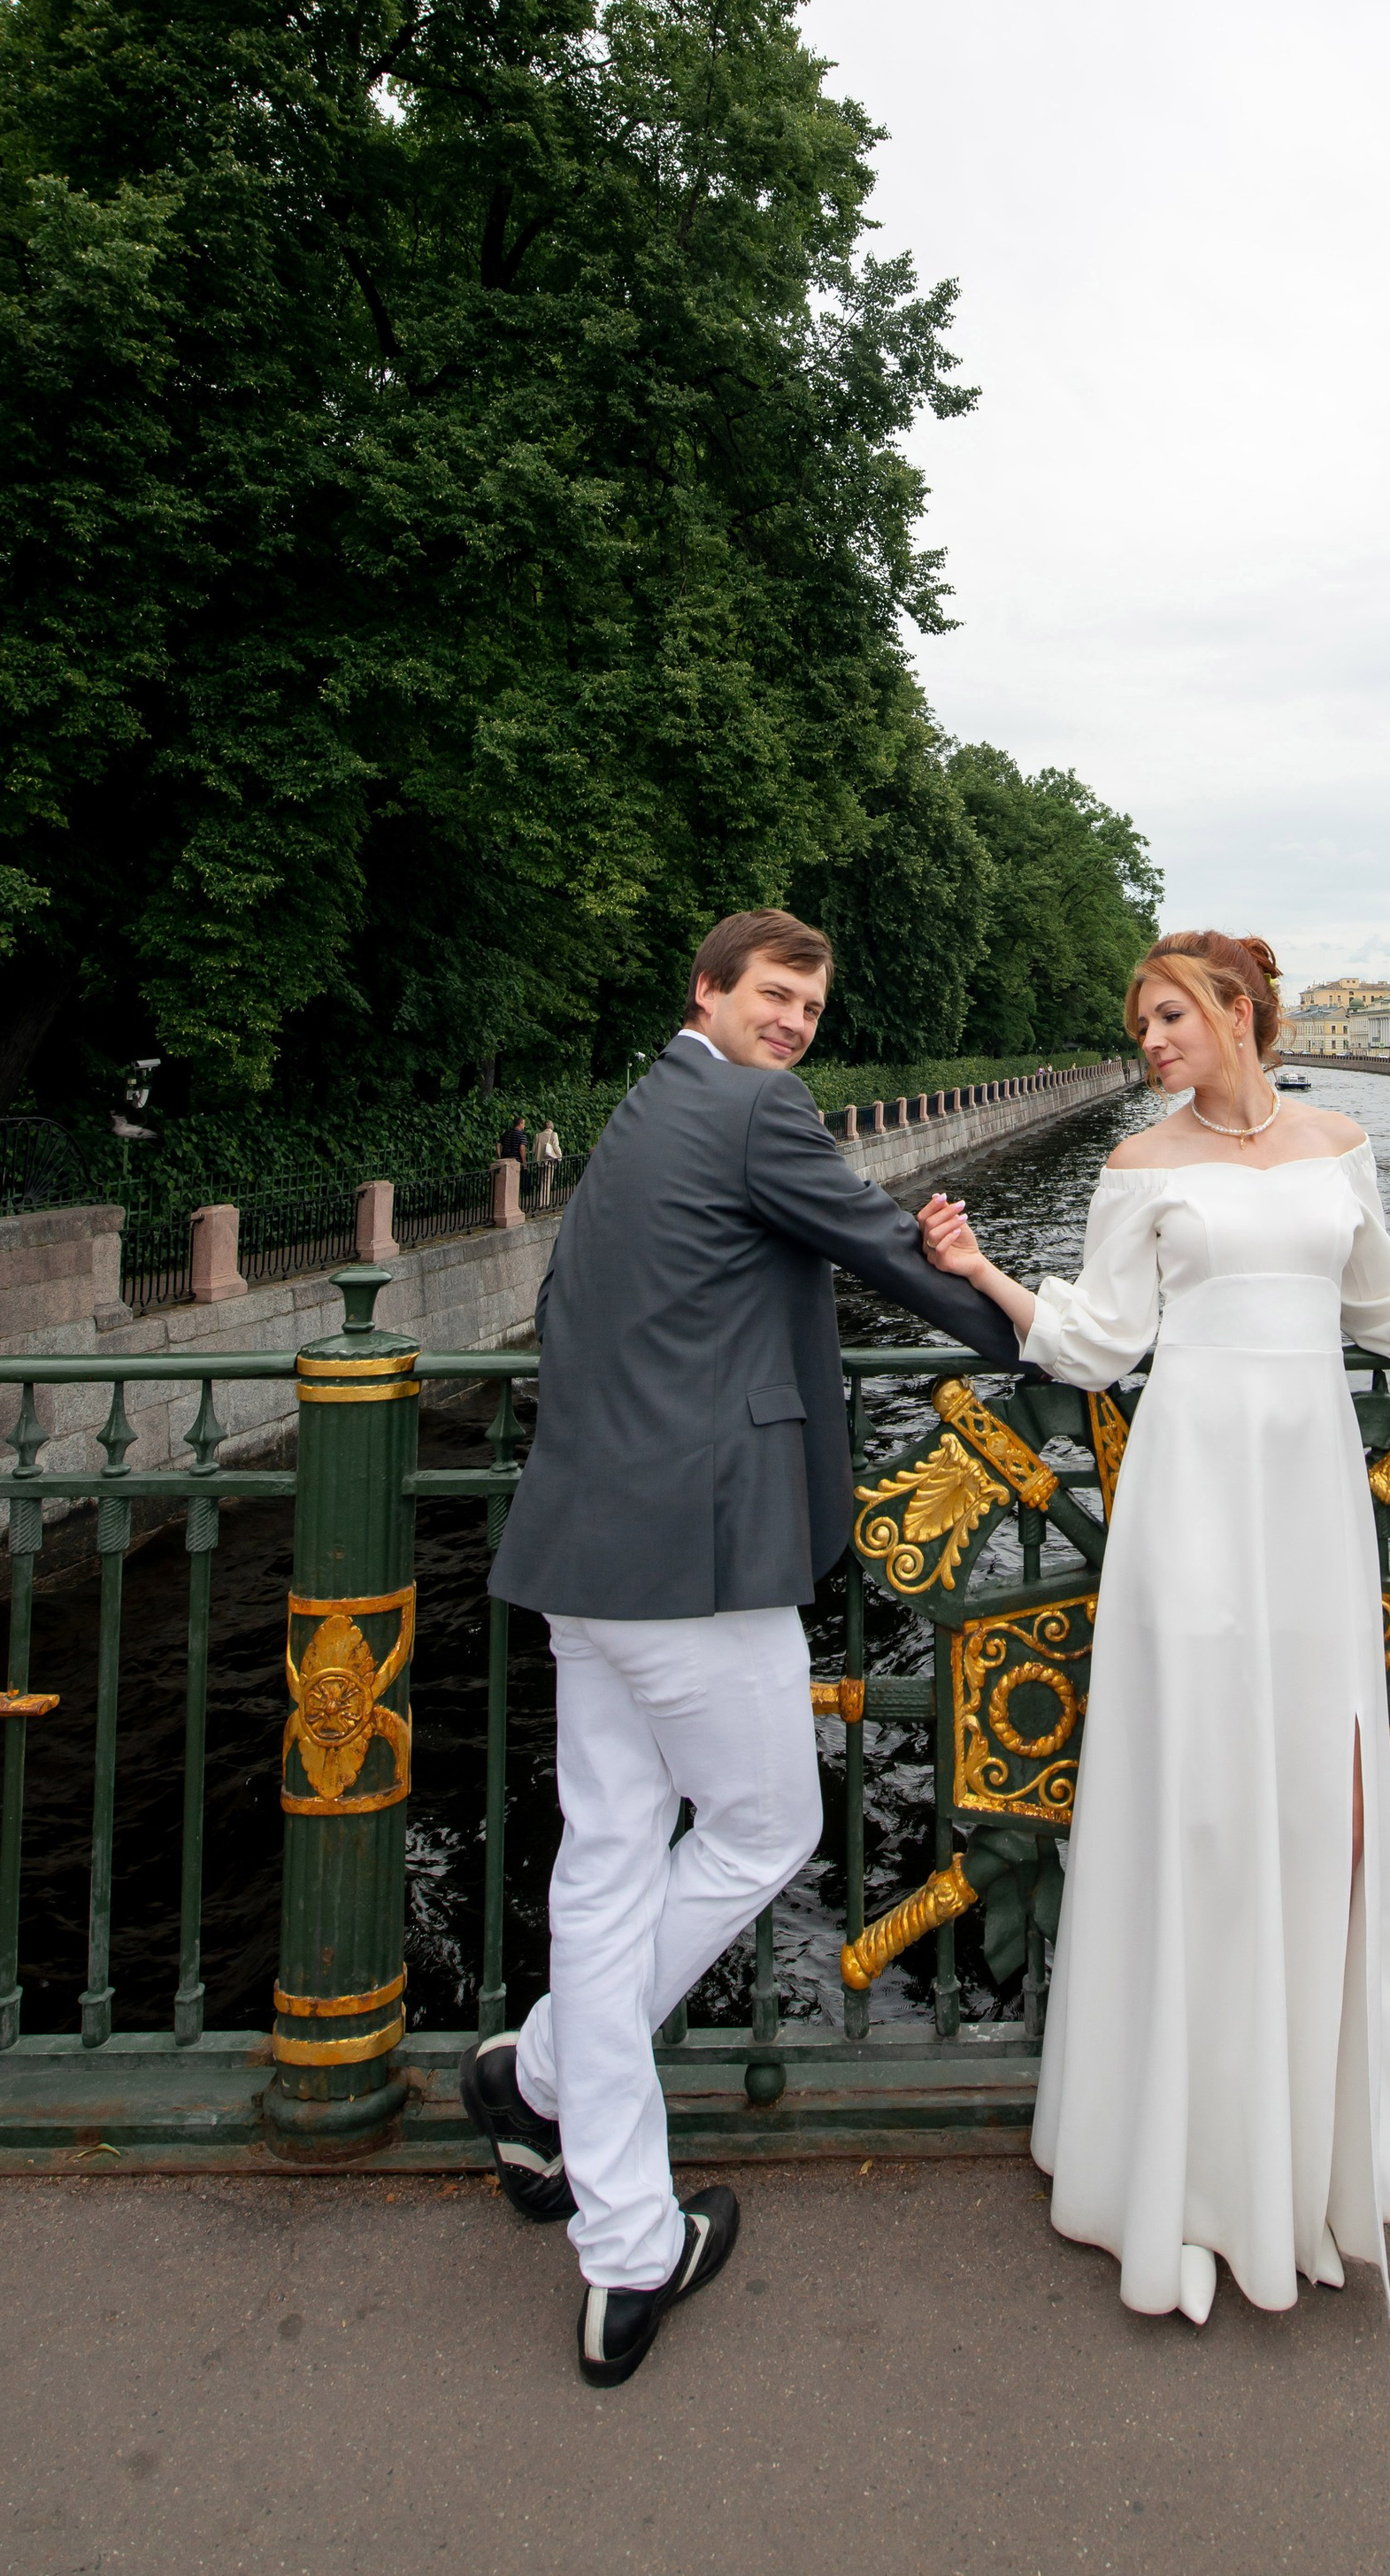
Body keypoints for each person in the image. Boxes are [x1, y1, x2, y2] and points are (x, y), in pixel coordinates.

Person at [918, 930, 1390, 2328]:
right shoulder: (1140, 1166)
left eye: (1168, 1015)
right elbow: (1096, 1342)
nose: (1149, 1039)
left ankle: (1314, 2141)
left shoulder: (1341, 1142)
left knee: (1312, 1796)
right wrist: (982, 1273)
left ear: (1238, 1012)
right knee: (1198, 1800)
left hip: (1312, 1496)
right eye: (1140, 1021)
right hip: (1192, 1495)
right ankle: (1181, 2158)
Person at [467, 911, 1025, 2388]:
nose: (796, 1024)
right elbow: (882, 1252)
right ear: (708, 992)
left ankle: (552, 2108)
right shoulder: (751, 1105)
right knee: (771, 1825)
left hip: (586, 1551)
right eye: (775, 995)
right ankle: (605, 2196)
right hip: (693, 1558)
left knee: (605, 1860)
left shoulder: (644, 1107)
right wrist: (1047, 1338)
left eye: (811, 1005)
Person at [533, 1116, 564, 1209]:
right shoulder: (553, 1134)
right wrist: (559, 1156)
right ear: (551, 1126)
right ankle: (545, 1203)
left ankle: (540, 1202)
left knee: (541, 1181)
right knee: (547, 1181)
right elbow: (556, 1146)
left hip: (539, 1162)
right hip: (549, 1161)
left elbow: (534, 1150)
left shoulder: (537, 1135)